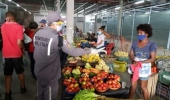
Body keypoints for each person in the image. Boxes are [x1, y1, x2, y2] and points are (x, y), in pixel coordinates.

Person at [33, 11, 105, 100]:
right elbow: (73, 51)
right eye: (61, 22)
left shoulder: (37, 34)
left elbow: (37, 50)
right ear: (55, 23)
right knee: (50, 96)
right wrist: (91, 50)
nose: (62, 24)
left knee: (39, 94)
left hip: (38, 70)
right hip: (50, 74)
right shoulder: (57, 38)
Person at [1, 11, 26, 100]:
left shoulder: (2, 27)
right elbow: (19, 43)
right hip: (16, 54)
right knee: (20, 72)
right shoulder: (19, 27)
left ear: (7, 17)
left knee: (8, 74)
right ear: (13, 17)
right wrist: (23, 48)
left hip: (6, 54)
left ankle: (8, 93)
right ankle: (23, 88)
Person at [129, 24, 157, 100]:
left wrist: (141, 62)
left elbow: (153, 59)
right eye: (138, 33)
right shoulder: (135, 43)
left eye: (141, 33)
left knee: (143, 87)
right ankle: (129, 98)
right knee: (133, 85)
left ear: (147, 34)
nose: (139, 34)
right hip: (135, 65)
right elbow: (131, 53)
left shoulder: (152, 45)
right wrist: (133, 60)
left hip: (144, 67)